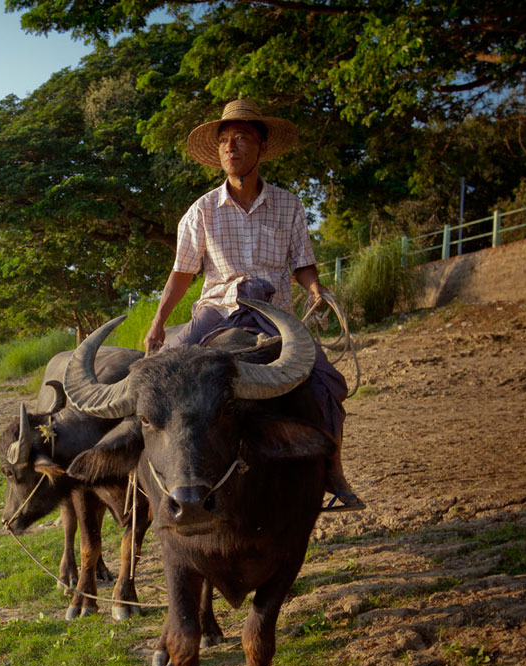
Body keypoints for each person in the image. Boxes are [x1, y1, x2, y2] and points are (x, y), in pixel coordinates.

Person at [144, 99, 363, 512]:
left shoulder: (289, 205)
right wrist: (158, 322)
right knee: (159, 380)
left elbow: (302, 263)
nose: (231, 147)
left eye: (241, 139)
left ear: (261, 147)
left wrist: (315, 289)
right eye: (225, 141)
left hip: (275, 315)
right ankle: (148, 481)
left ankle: (333, 468)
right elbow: (182, 273)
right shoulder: (201, 211)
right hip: (217, 311)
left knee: (327, 381)